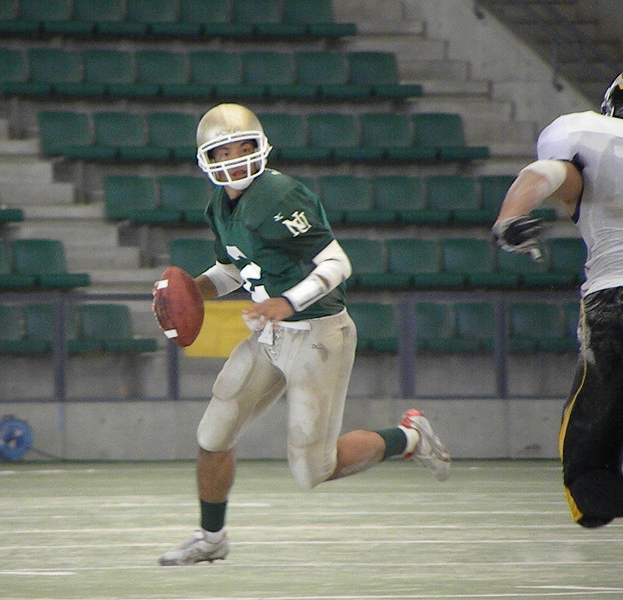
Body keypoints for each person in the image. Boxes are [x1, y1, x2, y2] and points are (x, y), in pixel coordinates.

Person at [156, 103, 451, 566]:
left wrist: (288, 302)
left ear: (260, 147)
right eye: (223, 151)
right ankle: (211, 539)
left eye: (242, 147)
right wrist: (194, 290)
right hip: (270, 334)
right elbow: (233, 269)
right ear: (206, 159)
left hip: (317, 334)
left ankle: (410, 438)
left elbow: (337, 263)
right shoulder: (219, 206)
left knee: (313, 469)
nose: (234, 159)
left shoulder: (280, 195)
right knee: (213, 434)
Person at [491, 74, 623, 528]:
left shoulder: (587, 136)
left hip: (614, 299)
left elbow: (547, 174)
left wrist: (510, 219)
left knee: (587, 479)